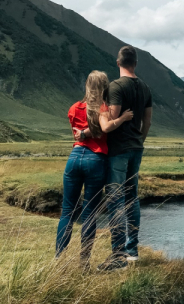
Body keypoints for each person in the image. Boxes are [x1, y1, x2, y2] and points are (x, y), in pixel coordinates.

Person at [55, 71, 134, 268]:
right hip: (96, 159)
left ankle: (58, 260)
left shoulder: (74, 108)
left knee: (67, 212)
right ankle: (84, 264)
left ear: (87, 86)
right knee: (89, 213)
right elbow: (104, 128)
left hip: (74, 158)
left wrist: (84, 133)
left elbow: (77, 133)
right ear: (104, 87)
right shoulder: (104, 109)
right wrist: (122, 118)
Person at [98, 45, 153, 272]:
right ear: (135, 63)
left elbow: (111, 120)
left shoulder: (116, 87)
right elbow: (147, 121)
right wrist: (140, 139)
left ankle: (118, 256)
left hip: (119, 149)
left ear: (118, 63)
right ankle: (132, 252)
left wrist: (102, 114)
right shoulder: (145, 87)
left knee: (116, 199)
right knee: (132, 197)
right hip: (136, 148)